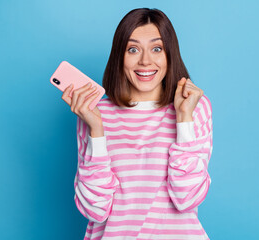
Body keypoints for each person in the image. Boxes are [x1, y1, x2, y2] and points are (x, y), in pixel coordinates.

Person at [62, 8, 213, 240]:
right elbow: (95, 209)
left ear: (169, 54)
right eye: (133, 49)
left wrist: (183, 119)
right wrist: (97, 130)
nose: (145, 61)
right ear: (119, 56)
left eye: (157, 48)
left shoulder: (194, 107)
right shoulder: (95, 113)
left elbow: (187, 198)